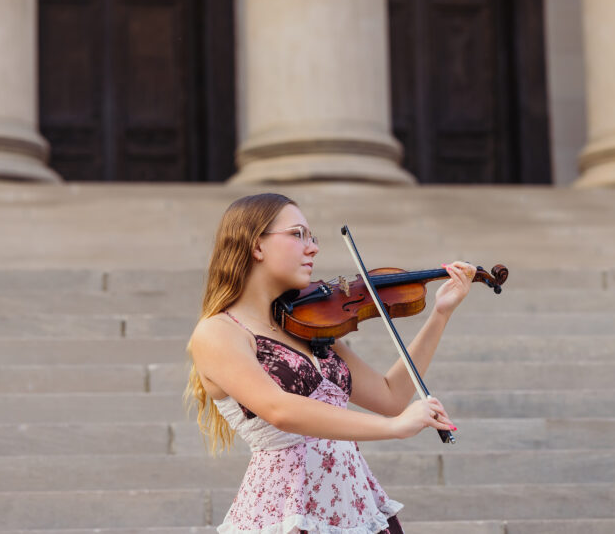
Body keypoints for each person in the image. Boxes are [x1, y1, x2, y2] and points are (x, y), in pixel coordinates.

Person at [185, 192, 475, 534]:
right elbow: (279, 409)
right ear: (256, 246)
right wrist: (393, 430)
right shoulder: (218, 332)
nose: (312, 248)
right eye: (297, 235)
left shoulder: (309, 326)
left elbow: (390, 396)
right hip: (286, 511)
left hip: (354, 505)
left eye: (312, 237)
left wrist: (441, 313)